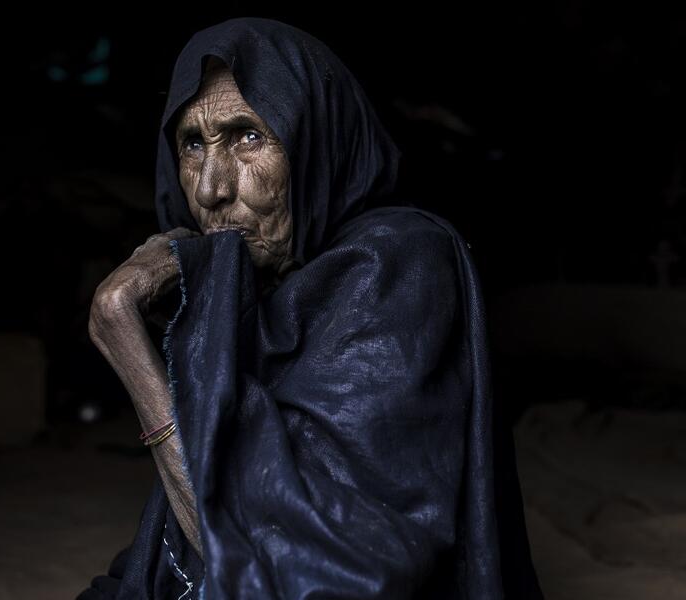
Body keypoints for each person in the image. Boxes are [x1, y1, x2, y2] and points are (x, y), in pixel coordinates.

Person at [78, 17, 544, 600]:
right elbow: (180, 544)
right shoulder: (245, 287)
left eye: (247, 136)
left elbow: (285, 573)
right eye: (192, 144)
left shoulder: (397, 263)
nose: (211, 189)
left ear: (316, 141)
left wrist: (125, 336)